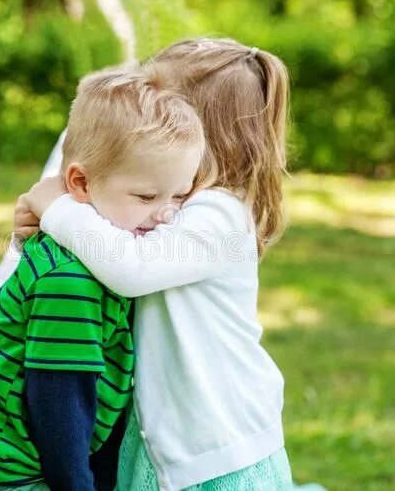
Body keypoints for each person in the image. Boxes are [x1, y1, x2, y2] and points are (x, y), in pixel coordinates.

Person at [16, 37, 294, 491]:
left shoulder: (218, 215)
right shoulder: (171, 205)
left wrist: (58, 209)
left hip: (218, 450)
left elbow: (130, 269)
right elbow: (100, 249)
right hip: (167, 444)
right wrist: (49, 218)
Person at [0, 66, 210, 490]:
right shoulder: (70, 280)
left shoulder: (112, 253)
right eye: (147, 197)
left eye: (180, 195)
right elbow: (59, 403)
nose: (166, 213)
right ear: (79, 182)